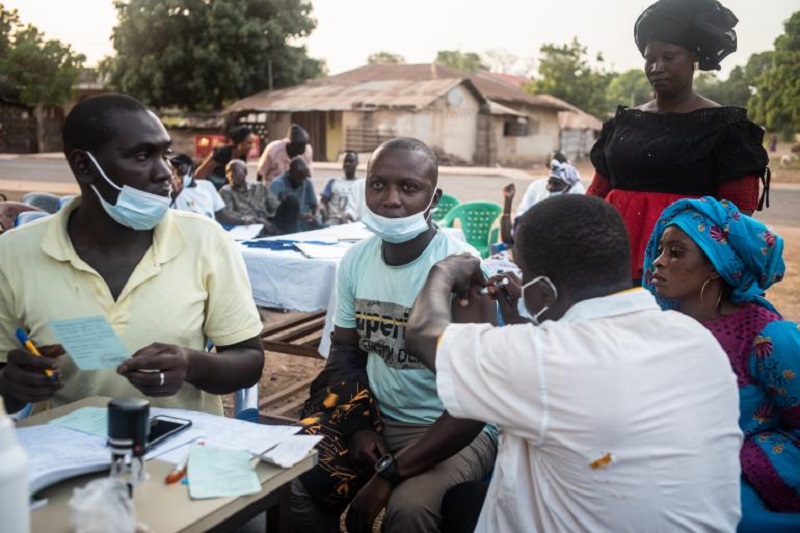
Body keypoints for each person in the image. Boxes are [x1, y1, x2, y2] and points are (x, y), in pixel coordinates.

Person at [405, 194, 743, 532]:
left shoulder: (549, 360)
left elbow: (423, 334)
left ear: (544, 292)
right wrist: (529, 325)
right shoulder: (696, 340)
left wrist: (442, 271)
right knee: (465, 500)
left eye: (521, 271)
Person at [0, 94, 265, 416]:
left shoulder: (205, 241)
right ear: (85, 166)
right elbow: (6, 372)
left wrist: (192, 364)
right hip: (67, 452)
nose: (165, 173)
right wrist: (13, 385)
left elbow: (249, 361)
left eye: (165, 154)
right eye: (142, 156)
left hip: (184, 451)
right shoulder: (13, 255)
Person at [291, 137, 497, 533]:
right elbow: (346, 351)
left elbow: (476, 396)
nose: (390, 200)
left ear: (434, 198)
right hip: (378, 418)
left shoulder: (462, 268)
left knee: (410, 510)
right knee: (298, 484)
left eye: (409, 187)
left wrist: (387, 476)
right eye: (378, 184)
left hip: (449, 427)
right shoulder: (356, 261)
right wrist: (357, 424)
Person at [588, 0, 769, 285]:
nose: (657, 67)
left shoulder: (725, 128)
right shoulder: (623, 124)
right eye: (650, 58)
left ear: (693, 57)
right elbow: (596, 194)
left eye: (669, 56)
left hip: (685, 271)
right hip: (612, 258)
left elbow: (738, 213)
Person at [642, 197, 800, 518]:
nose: (657, 262)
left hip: (747, 489)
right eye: (660, 250)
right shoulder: (658, 327)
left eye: (675, 253)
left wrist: (739, 459)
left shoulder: (768, 339)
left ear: (716, 264)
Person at [499, 152, 585, 246]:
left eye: (556, 185)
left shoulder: (576, 190)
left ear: (568, 188)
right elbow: (509, 236)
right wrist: (508, 201)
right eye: (550, 184)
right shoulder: (537, 187)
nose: (550, 188)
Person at [220, 159, 301, 236]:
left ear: (245, 172)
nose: (231, 175)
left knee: (291, 199)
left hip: (268, 219)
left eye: (234, 170)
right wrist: (259, 220)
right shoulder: (226, 192)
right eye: (228, 172)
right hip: (249, 224)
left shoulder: (259, 186)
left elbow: (274, 206)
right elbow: (229, 214)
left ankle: (290, 234)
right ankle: (284, 232)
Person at [169, 154, 254, 226]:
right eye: (173, 172)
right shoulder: (172, 192)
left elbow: (221, 215)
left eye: (181, 170)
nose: (177, 175)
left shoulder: (207, 185)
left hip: (210, 233)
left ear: (192, 169)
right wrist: (174, 195)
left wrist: (242, 221)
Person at [269, 157, 324, 232]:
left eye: (303, 178)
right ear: (290, 173)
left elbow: (314, 205)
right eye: (298, 177)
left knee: (322, 228)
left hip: (302, 222)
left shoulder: (306, 182)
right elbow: (272, 210)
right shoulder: (277, 184)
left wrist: (314, 216)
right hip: (285, 222)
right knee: (291, 199)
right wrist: (299, 215)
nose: (301, 181)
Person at [319, 150, 362, 225]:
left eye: (350, 161)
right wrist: (326, 216)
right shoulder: (333, 182)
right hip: (335, 220)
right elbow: (323, 202)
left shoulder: (362, 184)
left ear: (357, 163)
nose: (347, 164)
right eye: (345, 161)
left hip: (354, 222)